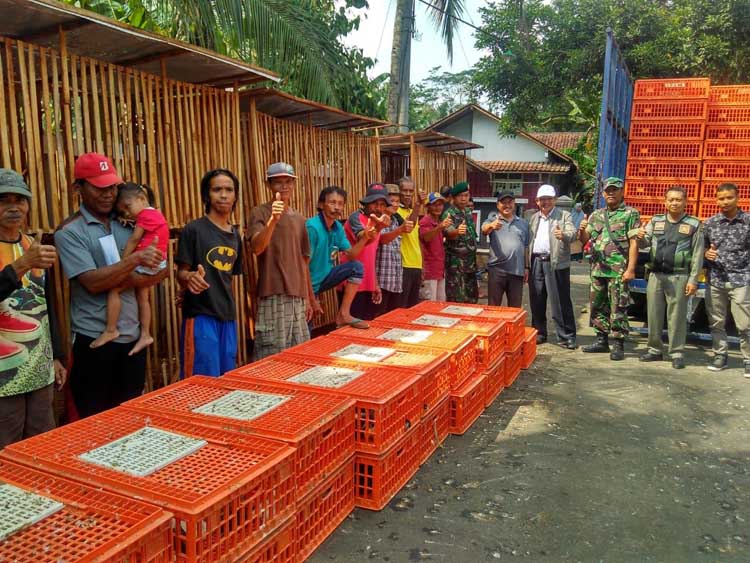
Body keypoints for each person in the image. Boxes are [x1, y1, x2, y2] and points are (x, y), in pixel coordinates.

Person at [55, 153, 165, 418]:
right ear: (78, 189)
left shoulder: (129, 221)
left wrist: (118, 278)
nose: (108, 194)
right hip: (94, 341)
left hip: (133, 339)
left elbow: (161, 272)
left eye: (112, 186)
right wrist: (135, 262)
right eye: (99, 187)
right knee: (93, 423)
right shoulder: (69, 232)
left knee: (129, 422)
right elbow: (92, 282)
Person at [0, 169, 66, 447]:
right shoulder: (30, 255)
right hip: (3, 374)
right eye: (4, 200)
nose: (14, 207)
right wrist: (21, 265)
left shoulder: (32, 245)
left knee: (41, 442)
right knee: (6, 446)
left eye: (21, 199)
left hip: (39, 367)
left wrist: (57, 356)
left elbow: (47, 304)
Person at [176, 169, 243, 377]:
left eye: (229, 190)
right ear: (207, 195)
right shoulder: (193, 230)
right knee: (201, 382)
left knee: (226, 379)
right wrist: (189, 279)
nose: (223, 195)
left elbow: (228, 278)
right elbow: (181, 272)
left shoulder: (235, 235)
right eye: (217, 189)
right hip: (201, 317)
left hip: (228, 317)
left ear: (235, 196)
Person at [90, 183, 168, 355]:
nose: (127, 213)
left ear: (141, 199)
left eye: (128, 207)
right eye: (123, 211)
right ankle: (146, 334)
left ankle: (111, 329)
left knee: (114, 290)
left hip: (146, 262)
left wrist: (123, 263)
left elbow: (134, 239)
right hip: (157, 263)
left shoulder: (145, 215)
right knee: (143, 297)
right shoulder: (154, 214)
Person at [249, 162, 317, 360]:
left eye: (288, 182)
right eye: (278, 182)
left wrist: (309, 299)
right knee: (271, 357)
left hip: (297, 296)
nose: (284, 186)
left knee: (299, 356)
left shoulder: (299, 218)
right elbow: (257, 247)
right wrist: (273, 220)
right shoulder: (260, 212)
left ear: (294, 184)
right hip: (273, 292)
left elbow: (303, 262)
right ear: (269, 185)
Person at [636, 186, 703, 370]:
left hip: (679, 276)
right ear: (665, 202)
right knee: (654, 314)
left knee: (677, 316)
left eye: (678, 200)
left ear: (685, 202)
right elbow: (644, 242)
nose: (674, 203)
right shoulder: (656, 221)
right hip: (656, 275)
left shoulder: (694, 224)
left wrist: (693, 279)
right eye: (671, 200)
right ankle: (654, 350)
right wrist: (640, 236)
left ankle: (677, 353)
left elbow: (698, 255)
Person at [579, 177, 640, 360]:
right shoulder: (596, 215)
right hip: (598, 269)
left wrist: (630, 269)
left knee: (618, 307)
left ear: (622, 192)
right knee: (598, 305)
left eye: (614, 190)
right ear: (603, 193)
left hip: (618, 270)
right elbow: (584, 240)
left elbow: (634, 242)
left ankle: (618, 344)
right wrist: (581, 230)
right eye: (607, 191)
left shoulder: (630, 214)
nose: (610, 193)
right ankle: (601, 341)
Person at [306, 186, 372, 329]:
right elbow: (301, 266)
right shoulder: (312, 227)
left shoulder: (337, 227)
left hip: (322, 278)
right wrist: (310, 299)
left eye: (340, 204)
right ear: (321, 205)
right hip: (304, 285)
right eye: (332, 203)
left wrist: (365, 238)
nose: (337, 207)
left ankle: (343, 314)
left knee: (356, 267)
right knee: (306, 330)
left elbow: (352, 255)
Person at [702, 183, 750, 377]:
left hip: (742, 278)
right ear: (716, 199)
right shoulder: (711, 223)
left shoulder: (747, 221)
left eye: (729, 197)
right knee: (716, 322)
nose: (725, 202)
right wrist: (707, 254)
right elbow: (702, 249)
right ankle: (720, 355)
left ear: (738, 198)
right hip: (716, 279)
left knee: (745, 324)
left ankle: (748, 359)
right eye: (721, 198)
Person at [527, 185, 578, 348]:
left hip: (555, 262)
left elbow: (572, 233)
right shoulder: (533, 217)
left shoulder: (564, 216)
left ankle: (566, 335)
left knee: (560, 301)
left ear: (555, 200)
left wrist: (563, 235)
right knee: (537, 299)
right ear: (537, 201)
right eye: (542, 199)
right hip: (536, 262)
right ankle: (539, 332)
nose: (546, 202)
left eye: (549, 199)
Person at [342, 184, 390, 321]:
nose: (379, 208)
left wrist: (374, 283)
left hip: (367, 282)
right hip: (351, 281)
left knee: (366, 324)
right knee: (349, 328)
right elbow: (362, 236)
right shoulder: (355, 217)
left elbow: (371, 255)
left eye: (382, 204)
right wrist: (377, 227)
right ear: (366, 203)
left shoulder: (378, 223)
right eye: (375, 203)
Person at [482, 190, 529, 308]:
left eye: (510, 202)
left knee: (514, 308)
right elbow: (484, 229)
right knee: (493, 307)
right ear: (498, 205)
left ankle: (512, 327)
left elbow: (526, 247)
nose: (507, 205)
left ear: (514, 203)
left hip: (516, 271)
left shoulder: (523, 223)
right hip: (497, 271)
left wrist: (527, 267)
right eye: (504, 202)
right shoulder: (492, 220)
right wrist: (492, 226)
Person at [375, 185, 411, 314]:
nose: (395, 204)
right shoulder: (377, 219)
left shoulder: (396, 221)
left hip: (395, 279)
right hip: (382, 279)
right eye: (392, 201)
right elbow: (382, 239)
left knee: (393, 315)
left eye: (397, 201)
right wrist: (400, 229)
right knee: (379, 317)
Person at [444, 181, 478, 303]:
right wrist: (457, 231)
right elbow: (448, 233)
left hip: (470, 264)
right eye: (460, 196)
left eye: (466, 195)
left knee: (471, 299)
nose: (464, 199)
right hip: (456, 265)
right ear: (454, 198)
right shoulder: (449, 213)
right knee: (457, 299)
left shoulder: (468, 212)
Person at [395, 177, 425, 308]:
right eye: (404, 190)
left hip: (416, 265)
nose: (408, 194)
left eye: (410, 191)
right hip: (404, 265)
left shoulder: (411, 211)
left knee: (413, 307)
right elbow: (409, 227)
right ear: (398, 191)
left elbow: (416, 239)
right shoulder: (395, 211)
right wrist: (418, 204)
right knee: (401, 306)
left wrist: (422, 265)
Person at [419, 192, 452, 301]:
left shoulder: (437, 221)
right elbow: (426, 238)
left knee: (441, 303)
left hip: (439, 270)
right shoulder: (425, 221)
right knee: (429, 304)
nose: (438, 207)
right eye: (434, 204)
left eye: (440, 204)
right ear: (428, 206)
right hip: (430, 271)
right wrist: (440, 226)